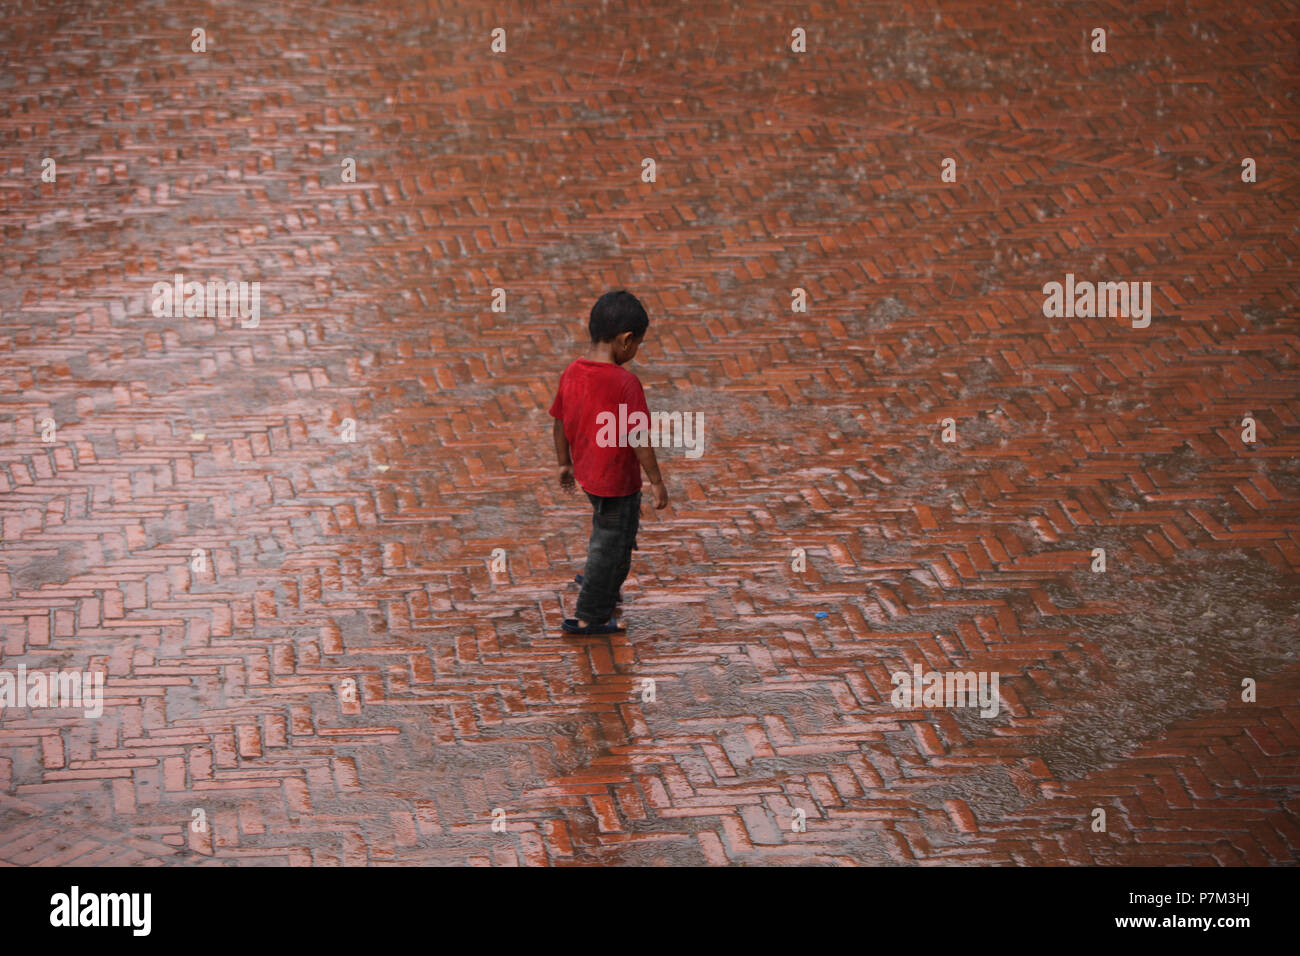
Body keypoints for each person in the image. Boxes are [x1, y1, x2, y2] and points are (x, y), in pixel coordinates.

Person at [549, 291, 668, 634]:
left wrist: (563, 463)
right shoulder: (624, 382)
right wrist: (657, 480)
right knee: (611, 540)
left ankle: (602, 576)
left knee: (613, 531)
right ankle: (591, 612)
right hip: (617, 484)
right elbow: (639, 438)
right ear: (626, 340)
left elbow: (558, 421)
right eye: (638, 345)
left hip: (589, 476)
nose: (636, 353)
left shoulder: (572, 372)